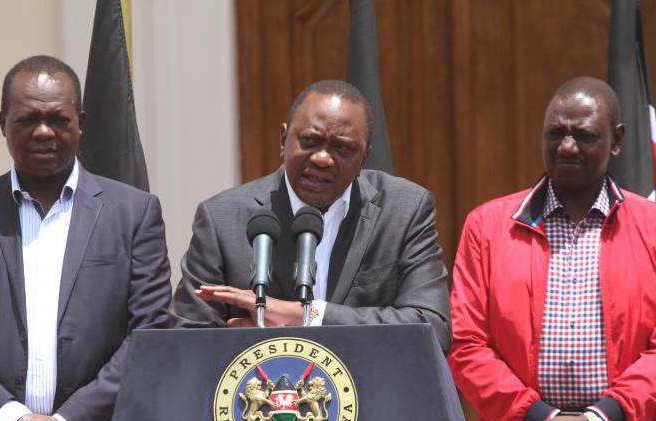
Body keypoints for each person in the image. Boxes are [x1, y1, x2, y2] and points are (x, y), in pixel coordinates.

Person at [0, 55, 171, 421]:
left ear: (81, 122)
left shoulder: (135, 214)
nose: (44, 132)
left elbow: (148, 334)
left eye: (59, 120)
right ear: (2, 123)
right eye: (28, 120)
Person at [448, 76, 656, 421]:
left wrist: (603, 419)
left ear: (617, 140)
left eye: (583, 135)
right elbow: (466, 343)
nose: (566, 147)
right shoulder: (486, 227)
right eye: (555, 134)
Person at [170, 80, 451, 352]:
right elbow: (187, 339)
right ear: (283, 140)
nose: (322, 159)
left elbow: (432, 329)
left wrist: (308, 315)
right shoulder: (222, 219)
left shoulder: (404, 210)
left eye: (341, 147)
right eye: (309, 141)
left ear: (364, 158)